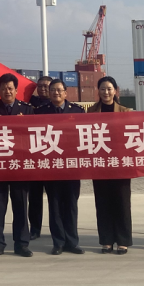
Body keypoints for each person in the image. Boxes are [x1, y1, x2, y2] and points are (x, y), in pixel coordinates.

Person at [0, 73, 35, 258]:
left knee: (20, 206)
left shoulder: (27, 109)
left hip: (19, 166)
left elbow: (32, 136)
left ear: (16, 90)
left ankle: (22, 244)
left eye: (10, 88)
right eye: (3, 88)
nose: (7, 91)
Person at [88, 76, 132, 254]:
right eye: (102, 89)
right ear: (98, 91)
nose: (106, 92)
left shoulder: (125, 111)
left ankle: (123, 240)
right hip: (100, 164)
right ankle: (106, 240)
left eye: (109, 89)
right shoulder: (91, 112)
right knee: (102, 202)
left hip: (121, 163)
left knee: (122, 202)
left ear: (115, 91)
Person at [41, 79, 85, 255]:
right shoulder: (40, 112)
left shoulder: (77, 111)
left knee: (71, 205)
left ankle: (72, 242)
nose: (56, 93)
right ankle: (58, 242)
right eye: (53, 90)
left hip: (72, 166)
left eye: (59, 90)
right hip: (51, 166)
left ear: (66, 93)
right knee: (55, 205)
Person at [27, 74, 53, 239]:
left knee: (55, 198)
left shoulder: (58, 105)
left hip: (53, 158)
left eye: (47, 86)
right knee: (34, 197)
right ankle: (35, 229)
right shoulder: (29, 104)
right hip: (35, 157)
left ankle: (57, 230)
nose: (43, 89)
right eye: (40, 86)